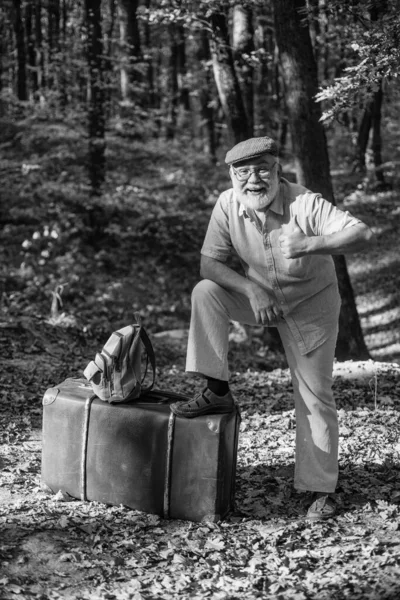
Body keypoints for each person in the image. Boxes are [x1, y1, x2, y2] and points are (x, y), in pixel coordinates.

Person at [170, 136, 375, 520]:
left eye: (262, 168)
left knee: (314, 393)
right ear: (232, 175)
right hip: (262, 301)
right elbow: (209, 265)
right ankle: (216, 390)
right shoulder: (227, 204)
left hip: (312, 305)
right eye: (242, 172)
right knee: (206, 292)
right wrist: (250, 289)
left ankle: (320, 490)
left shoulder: (304, 202)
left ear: (278, 170)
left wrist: (312, 243)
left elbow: (363, 235)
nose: (253, 179)